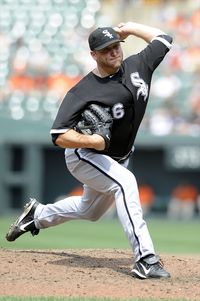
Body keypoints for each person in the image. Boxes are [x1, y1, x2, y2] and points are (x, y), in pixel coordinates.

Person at [6, 22, 172, 279]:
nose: (114, 52)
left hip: (117, 156)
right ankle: (145, 259)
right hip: (85, 156)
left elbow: (164, 38)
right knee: (125, 182)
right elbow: (59, 135)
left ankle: (37, 215)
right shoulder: (83, 91)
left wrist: (129, 28)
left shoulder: (140, 64)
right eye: (106, 49)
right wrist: (93, 142)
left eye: (116, 46)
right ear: (94, 55)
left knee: (90, 211)